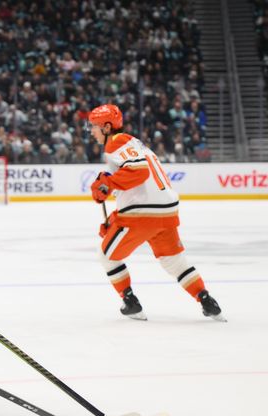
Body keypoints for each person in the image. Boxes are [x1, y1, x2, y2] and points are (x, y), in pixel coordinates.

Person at [88, 104, 224, 321]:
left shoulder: (116, 142)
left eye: (93, 126)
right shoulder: (135, 143)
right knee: (175, 262)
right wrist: (115, 217)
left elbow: (138, 172)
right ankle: (206, 299)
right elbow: (142, 183)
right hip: (166, 212)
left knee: (107, 256)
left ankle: (130, 302)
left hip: (142, 214)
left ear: (106, 127)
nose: (91, 131)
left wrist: (108, 184)